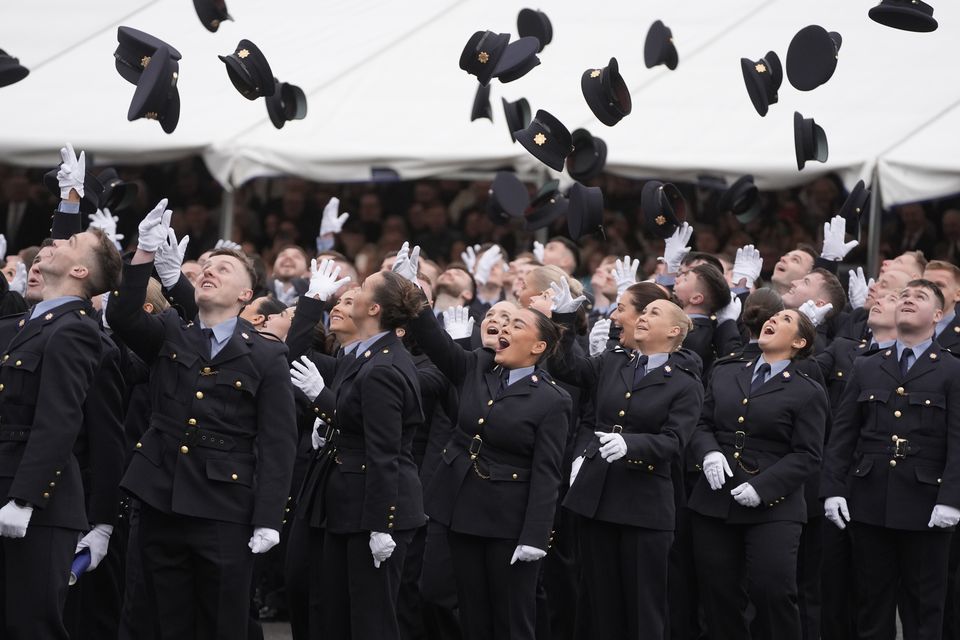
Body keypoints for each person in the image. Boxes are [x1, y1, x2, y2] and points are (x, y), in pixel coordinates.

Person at [106, 200, 297, 640]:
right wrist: (143, 256)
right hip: (160, 497)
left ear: (246, 295)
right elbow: (121, 316)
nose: (210, 270)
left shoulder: (267, 353)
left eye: (224, 269)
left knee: (221, 620)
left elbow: (277, 441)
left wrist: (268, 517)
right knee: (161, 618)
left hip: (224, 506)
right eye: (207, 267)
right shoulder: (173, 329)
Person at [398, 240, 572, 640]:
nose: (504, 330)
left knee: (510, 617)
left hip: (508, 517)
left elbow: (547, 475)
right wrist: (413, 294)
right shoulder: (477, 364)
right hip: (461, 507)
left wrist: (535, 536)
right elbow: (436, 344)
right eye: (503, 325)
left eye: (517, 326)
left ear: (539, 346)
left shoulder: (552, 398)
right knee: (471, 611)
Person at [551, 292, 703, 640]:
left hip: (643, 502)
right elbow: (567, 368)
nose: (644, 316)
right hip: (598, 494)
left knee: (642, 607)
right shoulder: (614, 361)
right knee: (600, 603)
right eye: (644, 311)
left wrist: (631, 444)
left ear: (674, 331)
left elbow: (674, 441)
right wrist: (563, 319)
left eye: (655, 313)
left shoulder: (684, 381)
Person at [291, 268, 426, 640]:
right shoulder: (365, 356)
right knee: (336, 613)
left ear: (374, 308)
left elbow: (384, 452)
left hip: (373, 507)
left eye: (363, 289)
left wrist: (382, 525)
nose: (354, 290)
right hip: (349, 502)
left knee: (371, 621)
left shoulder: (383, 366)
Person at [821, 280, 960, 640]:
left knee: (924, 610)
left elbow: (958, 441)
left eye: (920, 297)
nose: (909, 300)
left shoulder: (952, 370)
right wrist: (834, 488)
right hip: (870, 501)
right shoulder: (867, 366)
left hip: (927, 505)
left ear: (939, 315)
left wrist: (951, 499)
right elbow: (843, 435)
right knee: (871, 606)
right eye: (904, 296)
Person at [688, 308, 827, 640]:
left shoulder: (808, 390)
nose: (774, 321)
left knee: (773, 590)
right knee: (717, 592)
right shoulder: (726, 372)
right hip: (716, 498)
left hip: (774, 506)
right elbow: (702, 423)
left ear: (799, 342)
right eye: (773, 316)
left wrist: (764, 487)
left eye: (786, 320)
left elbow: (808, 454)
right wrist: (708, 452)